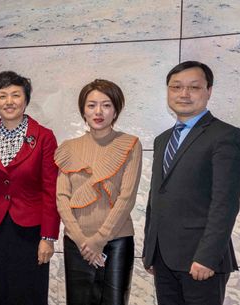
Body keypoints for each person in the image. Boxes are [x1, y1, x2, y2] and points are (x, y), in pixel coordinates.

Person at [142, 61, 240, 305]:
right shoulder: (162, 140)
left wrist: (208, 256)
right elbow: (155, 198)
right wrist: (150, 251)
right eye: (176, 87)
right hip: (162, 258)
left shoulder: (226, 135)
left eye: (193, 87)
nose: (183, 94)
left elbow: (225, 203)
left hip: (200, 260)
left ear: (209, 91)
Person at [0, 71, 60, 305]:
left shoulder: (44, 138)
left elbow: (51, 190)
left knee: (29, 292)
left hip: (31, 231)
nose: (9, 102)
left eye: (15, 95)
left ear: (26, 100)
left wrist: (48, 237)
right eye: (2, 96)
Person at [55, 79, 141, 305]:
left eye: (106, 105)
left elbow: (127, 197)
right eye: (91, 105)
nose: (98, 111)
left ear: (116, 110)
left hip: (116, 241)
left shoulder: (130, 144)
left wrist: (99, 240)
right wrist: (82, 239)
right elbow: (62, 197)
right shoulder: (68, 148)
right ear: (83, 110)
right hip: (77, 242)